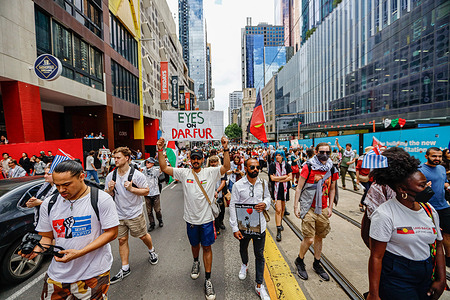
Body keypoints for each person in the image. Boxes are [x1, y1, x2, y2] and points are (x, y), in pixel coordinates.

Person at [20, 160, 119, 300]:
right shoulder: (49, 204)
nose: (61, 190)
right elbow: (46, 236)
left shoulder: (101, 199)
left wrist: (79, 253)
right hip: (58, 275)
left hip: (93, 273)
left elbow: (112, 233)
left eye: (66, 185)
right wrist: (37, 249)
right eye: (57, 185)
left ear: (81, 176)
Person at [367, 148, 446, 300]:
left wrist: (441, 279)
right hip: (397, 278)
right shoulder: (384, 214)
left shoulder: (429, 210)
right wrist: (374, 294)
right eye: (422, 186)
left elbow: (439, 245)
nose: (427, 189)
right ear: (402, 189)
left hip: (425, 275)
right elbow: (376, 257)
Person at [157, 136, 230, 300]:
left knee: (207, 247)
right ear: (189, 159)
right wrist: (160, 150)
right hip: (190, 220)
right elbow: (163, 167)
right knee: (194, 245)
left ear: (203, 159)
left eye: (198, 158)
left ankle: (208, 280)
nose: (196, 160)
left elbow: (226, 166)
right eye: (193, 158)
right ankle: (196, 262)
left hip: (206, 220)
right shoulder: (184, 173)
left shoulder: (210, 172)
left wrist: (225, 148)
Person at [105, 147, 158, 284]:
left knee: (143, 235)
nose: (115, 160)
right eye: (114, 158)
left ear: (127, 158)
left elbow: (146, 191)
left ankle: (151, 250)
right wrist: (110, 190)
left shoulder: (137, 175)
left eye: (118, 157)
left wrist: (132, 189)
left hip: (134, 213)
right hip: (119, 214)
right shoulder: (110, 176)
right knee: (122, 240)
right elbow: (107, 195)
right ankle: (125, 267)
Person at [293, 142, 338, 281]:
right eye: (321, 152)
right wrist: (296, 207)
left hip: (323, 208)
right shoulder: (308, 166)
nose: (324, 155)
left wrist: (330, 207)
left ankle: (317, 263)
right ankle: (300, 260)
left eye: (327, 152)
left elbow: (332, 189)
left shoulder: (332, 168)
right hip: (309, 207)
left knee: (319, 237)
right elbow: (299, 188)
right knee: (309, 238)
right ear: (316, 152)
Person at [229, 158, 271, 300]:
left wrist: (265, 203)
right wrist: (235, 228)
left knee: (259, 255)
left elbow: (268, 198)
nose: (255, 170)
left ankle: (259, 286)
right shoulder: (237, 185)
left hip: (260, 226)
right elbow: (233, 206)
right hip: (244, 226)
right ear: (245, 168)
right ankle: (244, 264)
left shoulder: (264, 183)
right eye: (252, 167)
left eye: (257, 167)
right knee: (243, 248)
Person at [419, 147, 450, 267]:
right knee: (429, 234)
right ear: (426, 156)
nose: (437, 159)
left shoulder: (442, 168)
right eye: (434, 156)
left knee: (448, 232)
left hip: (443, 205)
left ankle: (448, 258)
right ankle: (429, 258)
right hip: (427, 208)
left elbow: (443, 182)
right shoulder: (420, 170)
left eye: (439, 156)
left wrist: (447, 186)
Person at [269, 150, 292, 242]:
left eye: (279, 155)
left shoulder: (287, 165)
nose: (277, 157)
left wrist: (278, 179)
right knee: (278, 209)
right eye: (276, 155)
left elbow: (290, 177)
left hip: (285, 189)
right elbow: (272, 178)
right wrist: (284, 177)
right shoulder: (272, 165)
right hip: (276, 190)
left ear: (283, 156)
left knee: (282, 209)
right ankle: (278, 230)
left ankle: (280, 222)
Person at [207, 155, 227, 235]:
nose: (213, 164)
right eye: (212, 162)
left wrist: (217, 191)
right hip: (210, 195)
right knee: (214, 211)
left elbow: (223, 182)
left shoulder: (221, 170)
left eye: (215, 162)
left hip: (219, 194)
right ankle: (216, 227)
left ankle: (221, 222)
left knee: (221, 210)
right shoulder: (207, 171)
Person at [143, 157, 163, 232]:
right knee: (149, 211)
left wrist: (162, 158)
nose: (147, 164)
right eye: (146, 162)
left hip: (155, 193)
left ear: (152, 164)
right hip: (147, 193)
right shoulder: (143, 171)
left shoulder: (156, 170)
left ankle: (160, 220)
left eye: (149, 162)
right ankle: (152, 224)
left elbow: (162, 169)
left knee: (157, 210)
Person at [356, 146, 374, 212]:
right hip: (363, 178)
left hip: (371, 178)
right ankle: (361, 204)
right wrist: (357, 179)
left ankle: (367, 204)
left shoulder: (373, 159)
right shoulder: (361, 159)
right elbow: (357, 169)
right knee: (367, 191)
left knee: (371, 192)